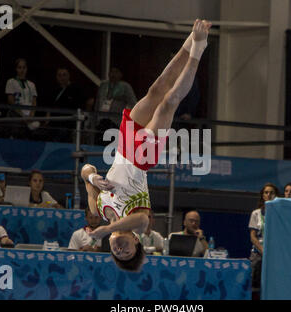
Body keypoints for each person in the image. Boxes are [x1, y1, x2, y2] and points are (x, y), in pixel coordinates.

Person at [80, 19, 212, 272]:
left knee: (156, 89)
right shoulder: (140, 226)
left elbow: (85, 170)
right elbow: (141, 217)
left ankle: (191, 40)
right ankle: (198, 50)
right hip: (141, 159)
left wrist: (94, 179)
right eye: (127, 250)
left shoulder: (98, 209)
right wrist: (108, 229)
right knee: (168, 102)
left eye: (118, 252)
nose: (120, 248)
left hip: (123, 147)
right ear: (137, 242)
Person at [248, 182, 279, 300]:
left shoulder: (279, 213)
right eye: (266, 192)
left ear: (276, 195)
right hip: (258, 253)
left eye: (272, 193)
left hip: (274, 254)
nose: (269, 195)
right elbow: (253, 237)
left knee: (272, 283)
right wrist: (263, 251)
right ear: (262, 195)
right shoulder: (256, 213)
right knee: (255, 285)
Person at [94, 67, 137, 145]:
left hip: (115, 121)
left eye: (116, 72)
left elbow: (133, 103)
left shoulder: (125, 86)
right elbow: (98, 102)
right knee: (99, 143)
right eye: (111, 72)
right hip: (101, 119)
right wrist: (95, 118)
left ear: (121, 74)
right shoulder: (103, 85)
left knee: (112, 145)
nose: (113, 74)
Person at [47, 67, 88, 142]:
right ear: (56, 77)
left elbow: (80, 108)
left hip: (68, 125)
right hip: (54, 124)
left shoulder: (76, 90)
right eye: (59, 75)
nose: (62, 77)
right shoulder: (53, 90)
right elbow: (49, 107)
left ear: (69, 76)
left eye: (64, 75)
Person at [4, 58, 38, 139]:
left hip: (29, 117)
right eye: (19, 67)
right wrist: (22, 115)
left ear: (26, 69)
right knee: (16, 138)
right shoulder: (11, 82)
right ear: (16, 69)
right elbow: (11, 100)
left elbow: (34, 101)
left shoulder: (31, 84)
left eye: (24, 67)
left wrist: (31, 116)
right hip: (16, 115)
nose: (22, 70)